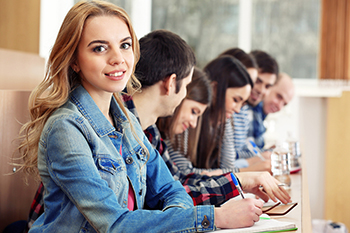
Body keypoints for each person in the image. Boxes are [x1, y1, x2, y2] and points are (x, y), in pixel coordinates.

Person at [17, 1, 267, 231]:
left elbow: (172, 189)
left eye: (125, 45)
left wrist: (175, 221)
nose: (118, 59)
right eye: (100, 48)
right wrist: (216, 217)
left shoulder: (126, 120)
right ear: (74, 61)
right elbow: (115, 225)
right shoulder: (66, 128)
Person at [124, 29, 290, 209]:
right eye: (187, 85)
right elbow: (170, 197)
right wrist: (220, 213)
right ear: (171, 83)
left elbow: (178, 182)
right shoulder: (125, 131)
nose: (186, 94)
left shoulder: (149, 132)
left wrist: (239, 180)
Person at [216, 48, 272, 173]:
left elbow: (233, 158)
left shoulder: (240, 109)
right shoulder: (227, 111)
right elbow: (223, 165)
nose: (250, 87)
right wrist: (251, 163)